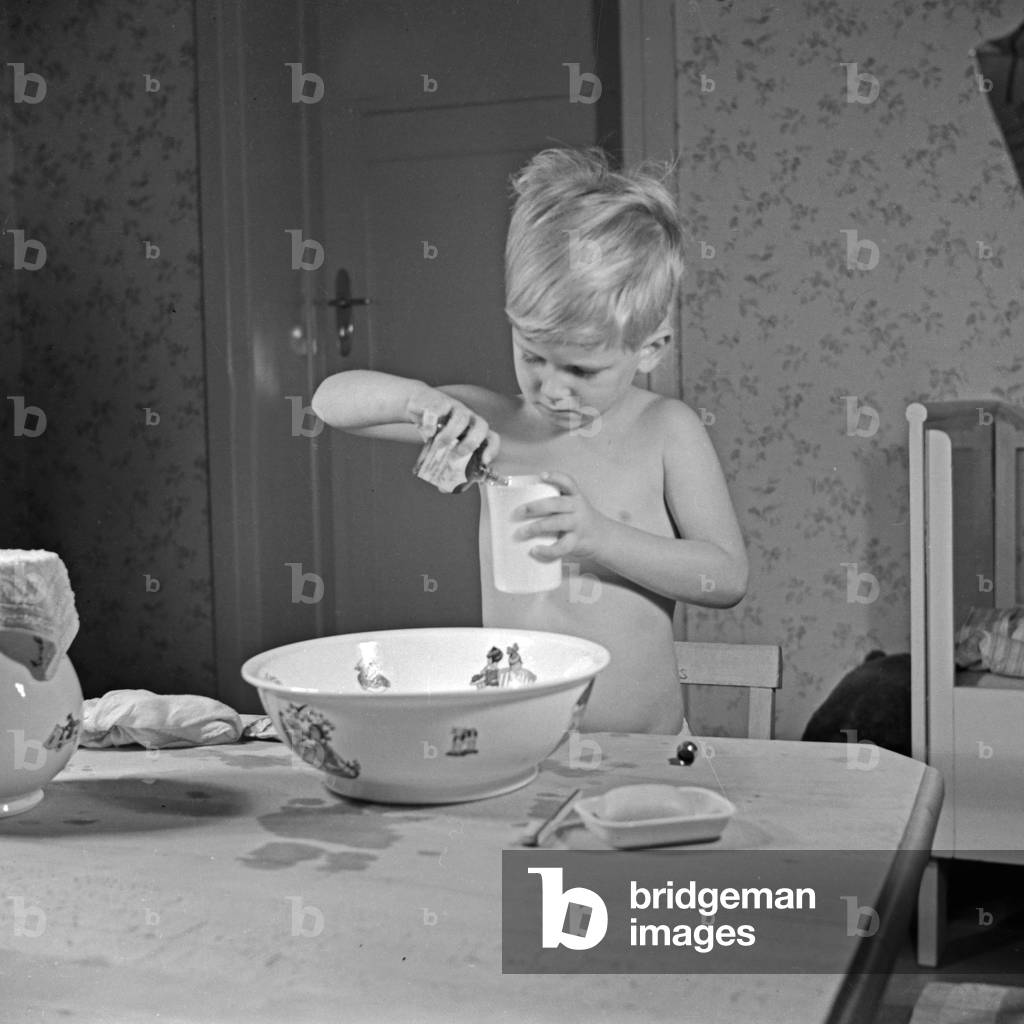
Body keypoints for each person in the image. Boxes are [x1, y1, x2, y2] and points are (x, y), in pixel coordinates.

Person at [311, 147, 748, 734]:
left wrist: (602, 537)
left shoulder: (665, 430)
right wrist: (416, 400)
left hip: (645, 752)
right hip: (516, 743)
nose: (551, 387)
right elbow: (331, 402)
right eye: (532, 356)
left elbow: (725, 578)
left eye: (582, 370)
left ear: (651, 348)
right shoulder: (492, 422)